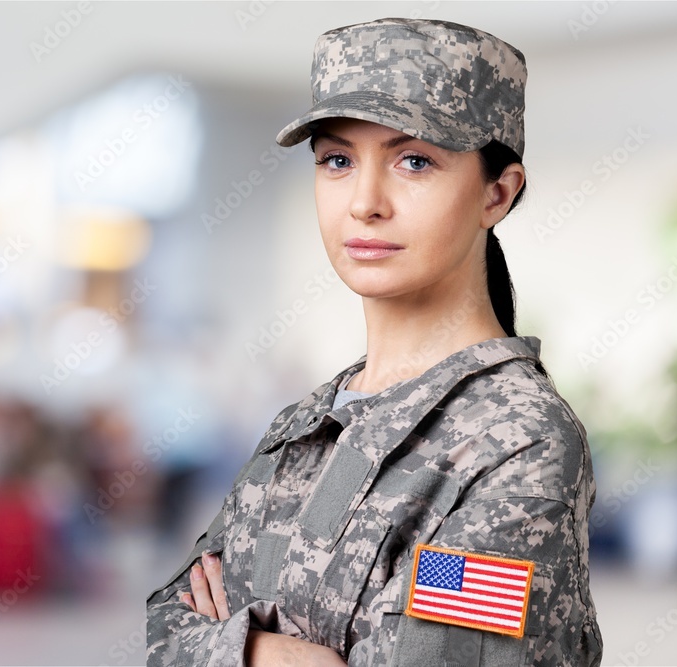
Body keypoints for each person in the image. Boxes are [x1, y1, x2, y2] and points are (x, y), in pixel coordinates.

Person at [146, 17, 602, 667]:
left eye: (413, 160)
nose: (364, 201)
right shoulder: (302, 427)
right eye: (337, 160)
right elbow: (156, 629)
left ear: (497, 193)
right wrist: (271, 656)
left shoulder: (515, 440)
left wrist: (222, 645)